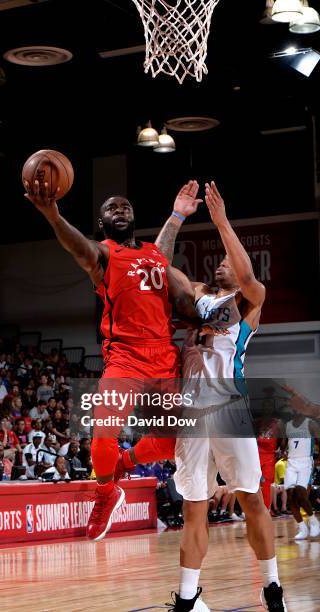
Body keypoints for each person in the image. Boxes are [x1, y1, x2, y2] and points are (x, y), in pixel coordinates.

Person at [118, 181, 286, 611]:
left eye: (230, 259)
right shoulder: (195, 295)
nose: (223, 263)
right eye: (223, 259)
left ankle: (272, 587)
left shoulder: (250, 299)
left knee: (251, 499)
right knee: (194, 507)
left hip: (229, 406)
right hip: (191, 412)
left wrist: (220, 221)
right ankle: (188, 598)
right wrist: (176, 216)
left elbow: (248, 275)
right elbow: (158, 264)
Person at [24, 177, 201, 542]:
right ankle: (106, 494)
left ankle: (119, 467)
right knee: (102, 437)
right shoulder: (103, 255)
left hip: (165, 359)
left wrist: (177, 215)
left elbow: (161, 253)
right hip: (125, 359)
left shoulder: (152, 254)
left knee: (170, 444)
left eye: (125, 206)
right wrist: (54, 217)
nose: (120, 210)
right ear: (102, 223)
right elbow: (78, 248)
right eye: (111, 208)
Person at [279, 412, 320, 540]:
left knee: (301, 494)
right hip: (291, 462)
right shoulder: (287, 425)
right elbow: (283, 445)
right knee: (291, 496)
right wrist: (283, 448)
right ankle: (302, 528)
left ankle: (313, 521)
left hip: (305, 462)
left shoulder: (310, 423)